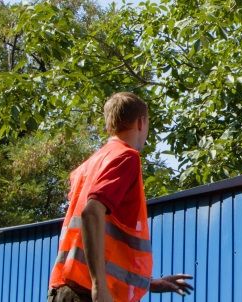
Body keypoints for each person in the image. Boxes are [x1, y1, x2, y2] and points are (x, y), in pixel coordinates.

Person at [48, 92, 193, 302]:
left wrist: (149, 283)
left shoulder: (89, 165)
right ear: (141, 122)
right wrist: (99, 286)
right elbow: (91, 213)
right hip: (88, 293)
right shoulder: (126, 157)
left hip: (67, 290)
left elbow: (105, 239)